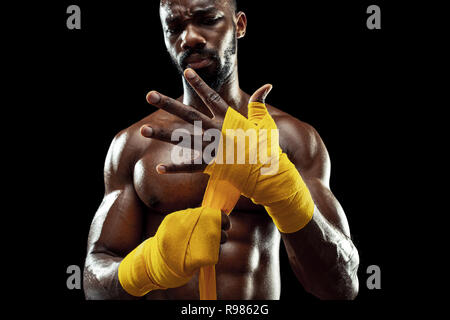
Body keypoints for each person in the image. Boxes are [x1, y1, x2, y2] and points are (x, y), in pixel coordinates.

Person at [83, 0, 360, 300]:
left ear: (239, 25)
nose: (189, 38)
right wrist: (147, 265)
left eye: (207, 19)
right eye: (174, 28)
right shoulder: (135, 144)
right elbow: (94, 282)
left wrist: (283, 192)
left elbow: (340, 285)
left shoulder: (291, 139)